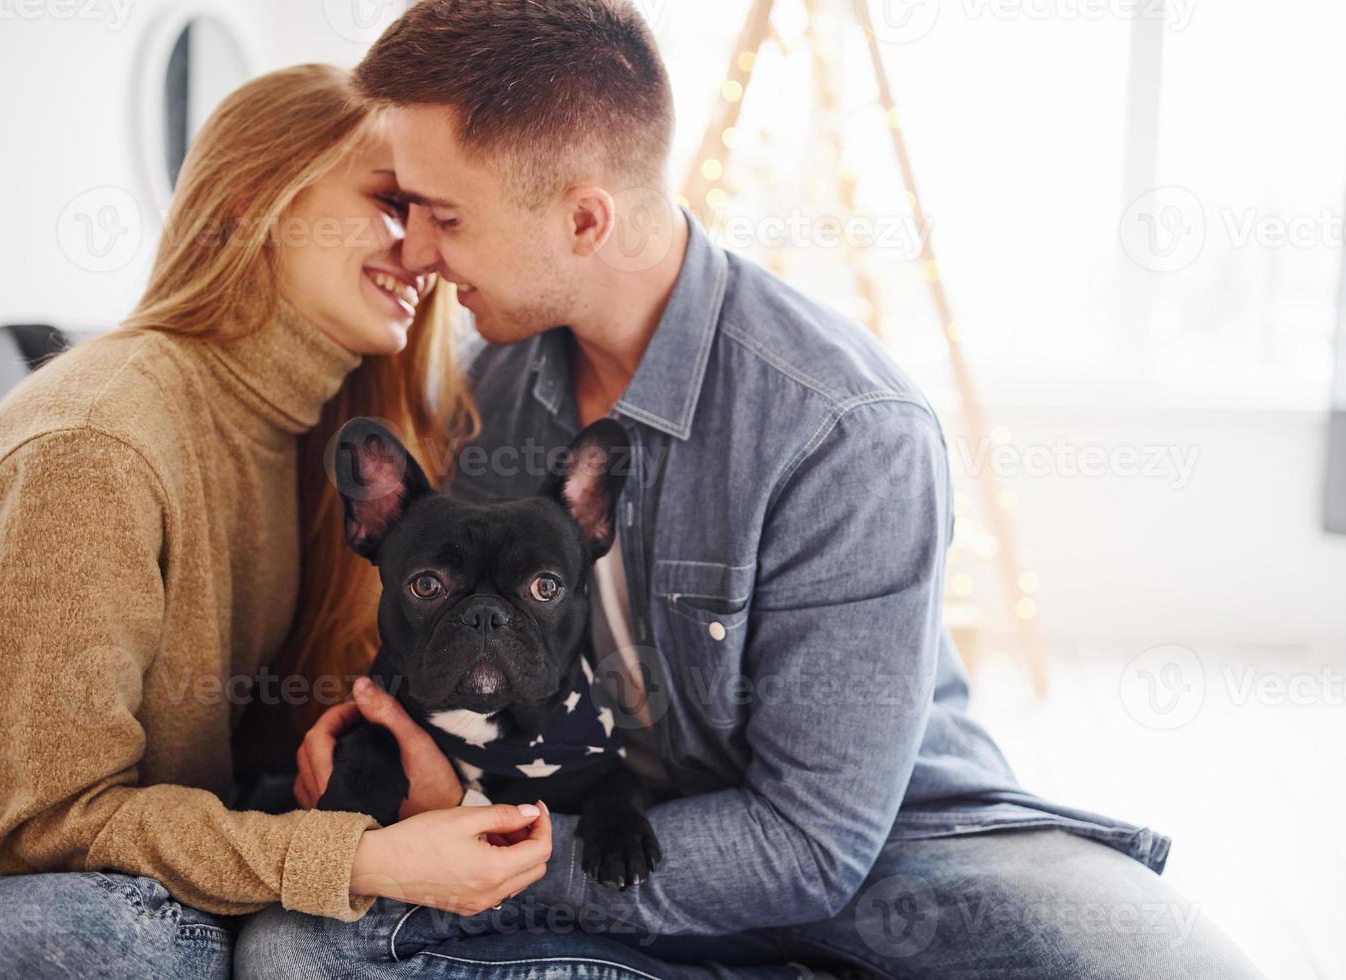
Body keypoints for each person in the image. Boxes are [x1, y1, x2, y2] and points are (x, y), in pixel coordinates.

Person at [239, 3, 1265, 979]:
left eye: (443, 215)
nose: (413, 250)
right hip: (620, 822)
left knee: (1169, 965)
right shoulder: (491, 393)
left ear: (585, 219)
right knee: (298, 950)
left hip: (893, 846)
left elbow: (813, 845)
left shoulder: (843, 430)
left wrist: (491, 853)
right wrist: (393, 761)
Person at [0, 65, 553, 980]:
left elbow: (233, 771)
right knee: (147, 945)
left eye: (437, 221)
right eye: (391, 203)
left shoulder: (306, 441)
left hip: (155, 849)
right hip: (26, 884)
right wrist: (356, 862)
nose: (424, 257)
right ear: (256, 197)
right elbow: (53, 821)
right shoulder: (96, 443)